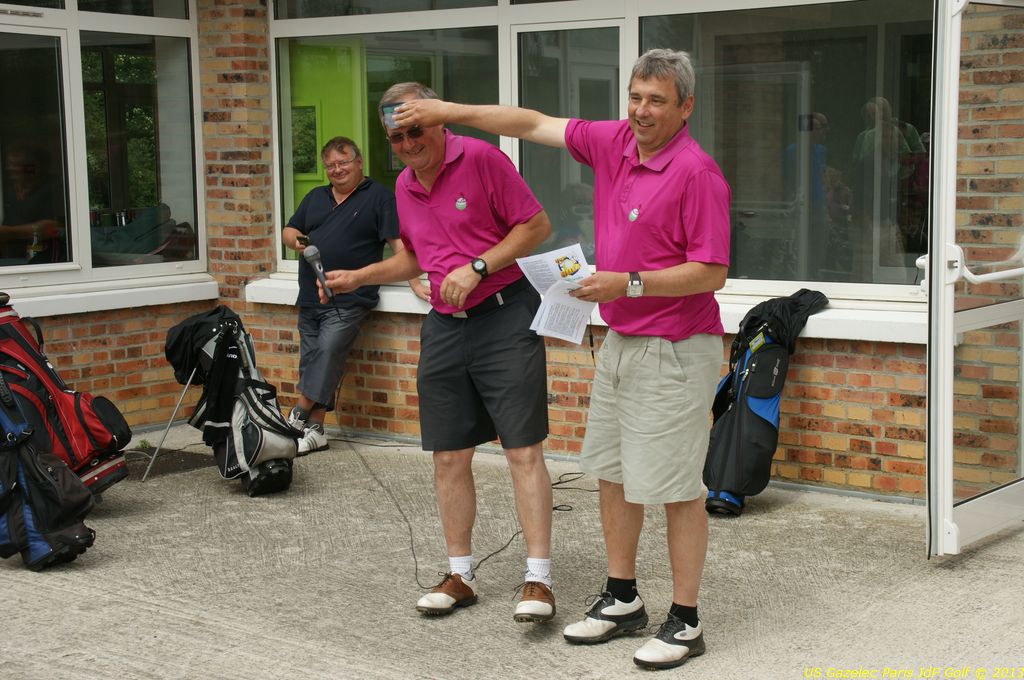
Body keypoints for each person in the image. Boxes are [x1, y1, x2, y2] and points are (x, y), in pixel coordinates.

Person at [391, 48, 730, 670]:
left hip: (677, 348)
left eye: (656, 100)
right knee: (613, 476)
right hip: (622, 341)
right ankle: (622, 598)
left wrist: (628, 283)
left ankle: (686, 620)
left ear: (685, 107)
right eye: (635, 96)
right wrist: (449, 111)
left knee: (677, 489)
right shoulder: (614, 142)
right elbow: (529, 123)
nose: (641, 110)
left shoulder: (696, 172)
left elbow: (711, 271)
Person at [321, 83, 558, 623]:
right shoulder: (404, 185)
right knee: (448, 455)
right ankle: (460, 575)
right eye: (396, 137)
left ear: (438, 120)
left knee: (522, 451)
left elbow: (536, 226)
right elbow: (417, 258)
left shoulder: (482, 159)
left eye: (415, 130)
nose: (408, 144)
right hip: (446, 327)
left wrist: (477, 266)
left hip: (505, 316)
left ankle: (539, 579)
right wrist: (358, 276)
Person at [283, 136, 426, 455]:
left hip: (349, 299)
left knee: (328, 351)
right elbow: (289, 231)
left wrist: (414, 282)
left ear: (358, 162)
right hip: (310, 296)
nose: (337, 169)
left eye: (343, 162)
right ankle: (316, 430)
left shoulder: (378, 197)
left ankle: (297, 413)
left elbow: (398, 244)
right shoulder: (315, 197)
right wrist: (301, 242)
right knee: (313, 359)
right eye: (330, 165)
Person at [1, 146, 65, 265]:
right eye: (9, 164)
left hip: (44, 261)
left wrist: (7, 232)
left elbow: (54, 228)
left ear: (33, 167)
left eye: (16, 164)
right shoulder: (8, 192)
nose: (10, 168)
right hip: (11, 261)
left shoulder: (54, 187)